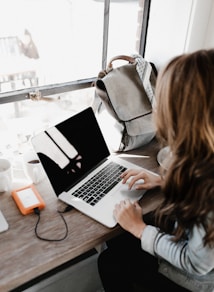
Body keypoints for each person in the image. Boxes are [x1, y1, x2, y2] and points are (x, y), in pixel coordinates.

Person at [97, 49, 214, 291]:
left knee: (109, 261)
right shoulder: (203, 161)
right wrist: (164, 182)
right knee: (119, 244)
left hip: (193, 282)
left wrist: (140, 229)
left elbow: (195, 263)